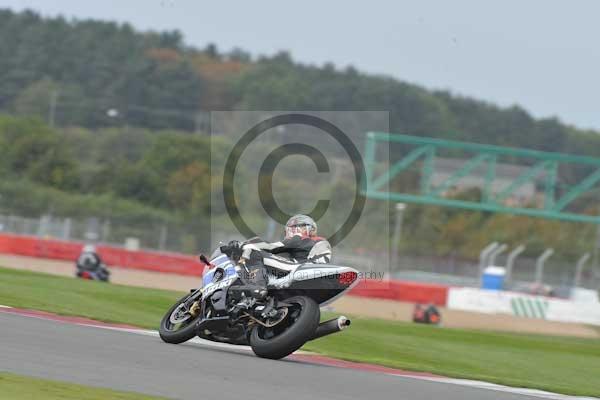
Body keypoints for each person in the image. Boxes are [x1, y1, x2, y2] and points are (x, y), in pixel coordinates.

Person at [225, 214, 332, 300]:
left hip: (298, 268)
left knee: (252, 250)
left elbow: (271, 247)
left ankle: (257, 286)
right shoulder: (319, 242)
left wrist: (243, 245)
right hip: (310, 272)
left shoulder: (301, 239)